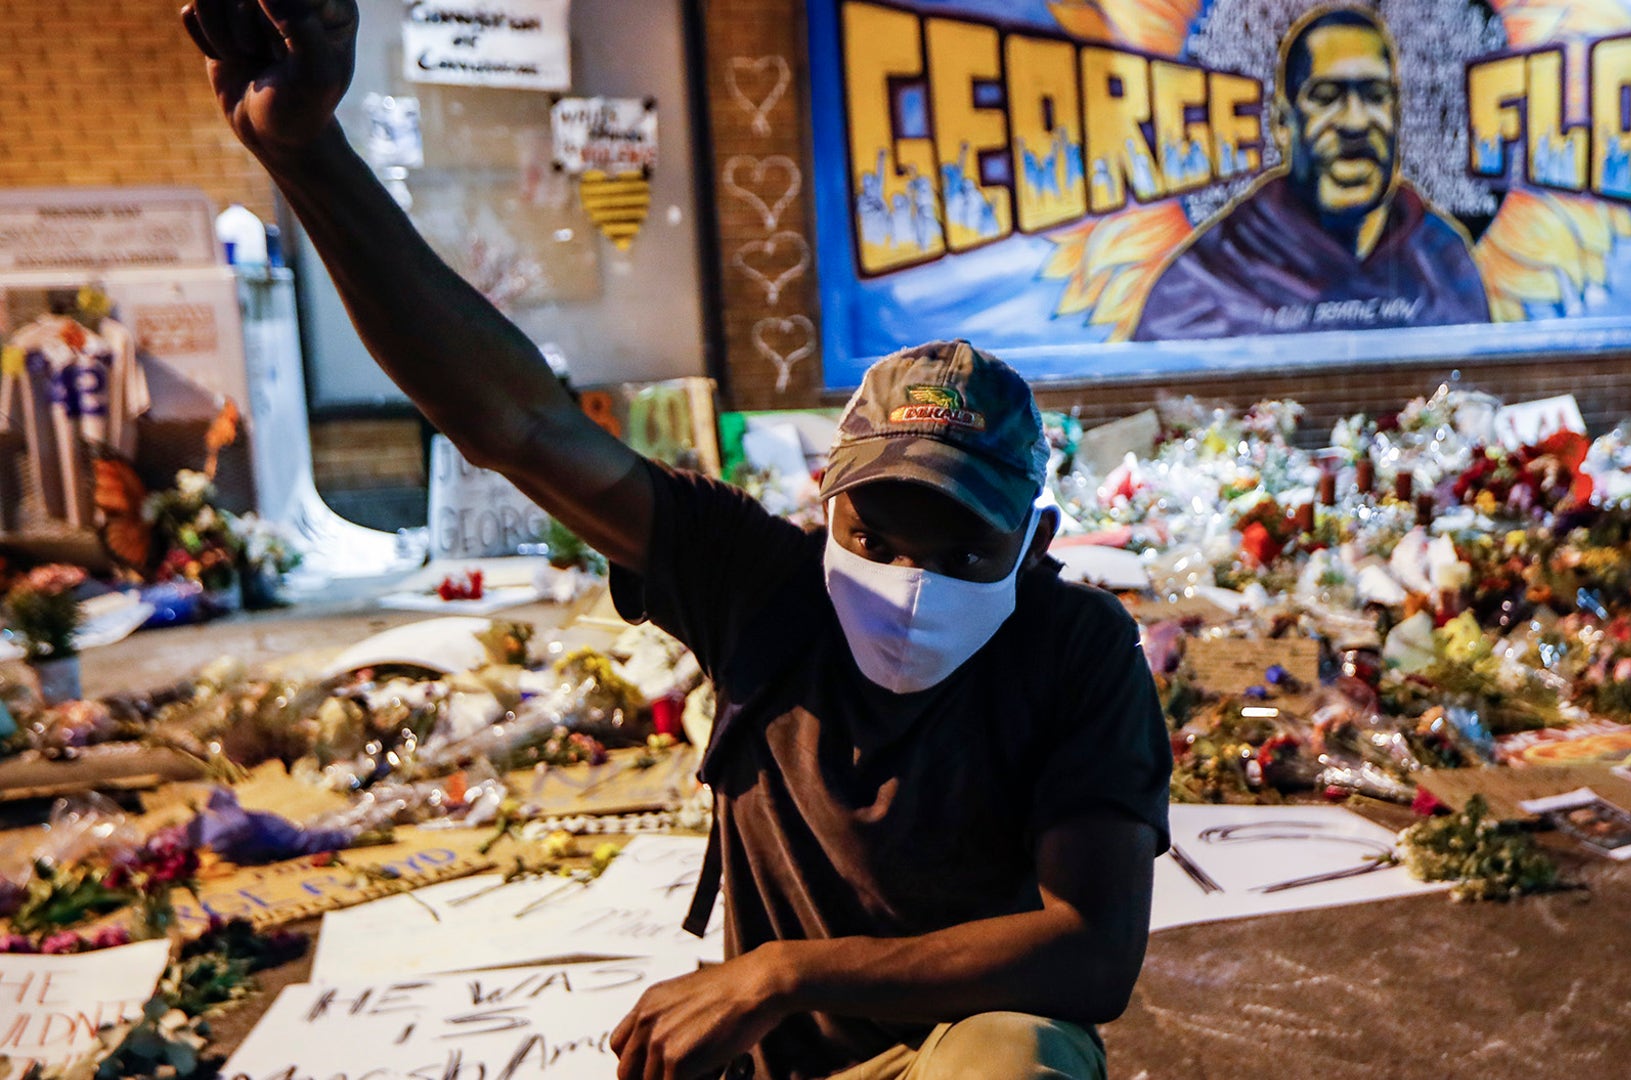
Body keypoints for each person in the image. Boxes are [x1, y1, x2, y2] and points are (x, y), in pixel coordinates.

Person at [180, 3, 1172, 1078]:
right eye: (874, 536)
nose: (908, 584)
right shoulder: (762, 588)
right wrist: (308, 153)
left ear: (1034, 545)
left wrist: (784, 971)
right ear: (822, 505)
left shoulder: (1077, 650)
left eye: (959, 551)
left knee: (1014, 1060)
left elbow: (1092, 953)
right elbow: (515, 421)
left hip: (947, 1052)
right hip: (776, 1065)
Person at [1133, 6, 1490, 341]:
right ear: (1282, 124)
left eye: (1375, 95)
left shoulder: (1442, 259)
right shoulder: (1205, 280)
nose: (1355, 122)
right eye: (1326, 96)